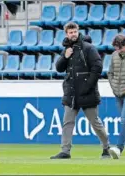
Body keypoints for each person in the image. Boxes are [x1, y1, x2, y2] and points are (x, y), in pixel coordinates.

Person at [50, 22, 110, 159]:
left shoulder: (88, 48)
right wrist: (65, 56)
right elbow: (59, 68)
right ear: (66, 34)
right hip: (71, 93)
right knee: (67, 122)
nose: (73, 34)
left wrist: (88, 86)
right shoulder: (66, 49)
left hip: (87, 93)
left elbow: (97, 67)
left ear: (78, 32)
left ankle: (106, 147)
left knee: (95, 123)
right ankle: (65, 151)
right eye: (70, 32)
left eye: (75, 32)